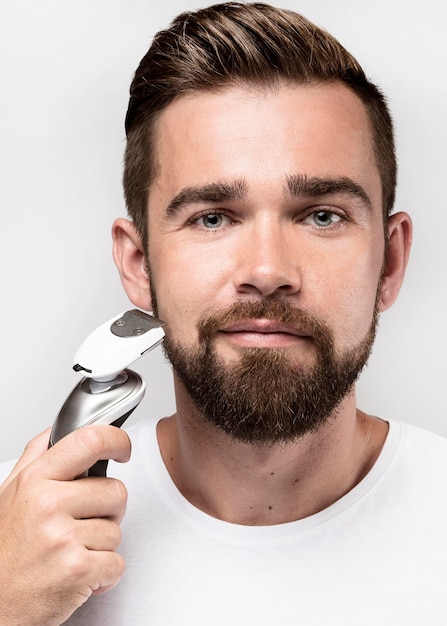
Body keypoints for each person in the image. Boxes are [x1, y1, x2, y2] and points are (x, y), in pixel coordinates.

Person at [0, 2, 446, 624]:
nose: (267, 270)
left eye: (322, 215)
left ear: (390, 263)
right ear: (138, 264)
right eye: (212, 218)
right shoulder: (13, 540)